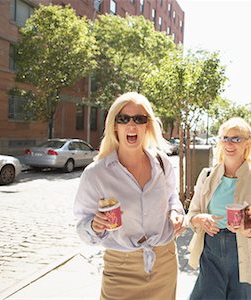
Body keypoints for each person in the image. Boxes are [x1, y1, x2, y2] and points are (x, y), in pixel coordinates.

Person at [74, 92, 185, 300]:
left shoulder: (162, 163)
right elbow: (82, 227)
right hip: (120, 269)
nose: (131, 125)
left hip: (164, 262)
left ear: (148, 126)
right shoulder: (96, 173)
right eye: (123, 119)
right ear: (114, 125)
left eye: (139, 119)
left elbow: (172, 198)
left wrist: (176, 213)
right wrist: (94, 226)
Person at [186, 117, 251, 300]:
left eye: (236, 138)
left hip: (245, 254)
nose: (229, 143)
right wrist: (200, 219)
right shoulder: (206, 176)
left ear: (247, 143)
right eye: (225, 138)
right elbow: (192, 215)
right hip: (210, 252)